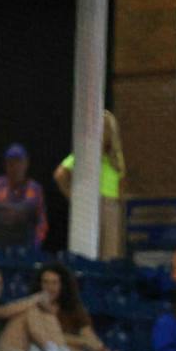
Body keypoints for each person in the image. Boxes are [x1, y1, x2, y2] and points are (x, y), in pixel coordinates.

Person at [53, 110, 125, 260]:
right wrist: (75, 198)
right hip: (92, 202)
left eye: (105, 128)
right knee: (87, 250)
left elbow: (121, 186)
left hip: (111, 206)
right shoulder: (86, 153)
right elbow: (60, 174)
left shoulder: (115, 158)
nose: (102, 133)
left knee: (110, 253)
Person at [0, 143, 46, 249]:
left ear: (26, 163)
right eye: (11, 162)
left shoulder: (34, 189)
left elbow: (41, 221)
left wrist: (35, 247)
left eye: (19, 162)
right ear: (6, 164)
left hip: (25, 246)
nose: (15, 166)